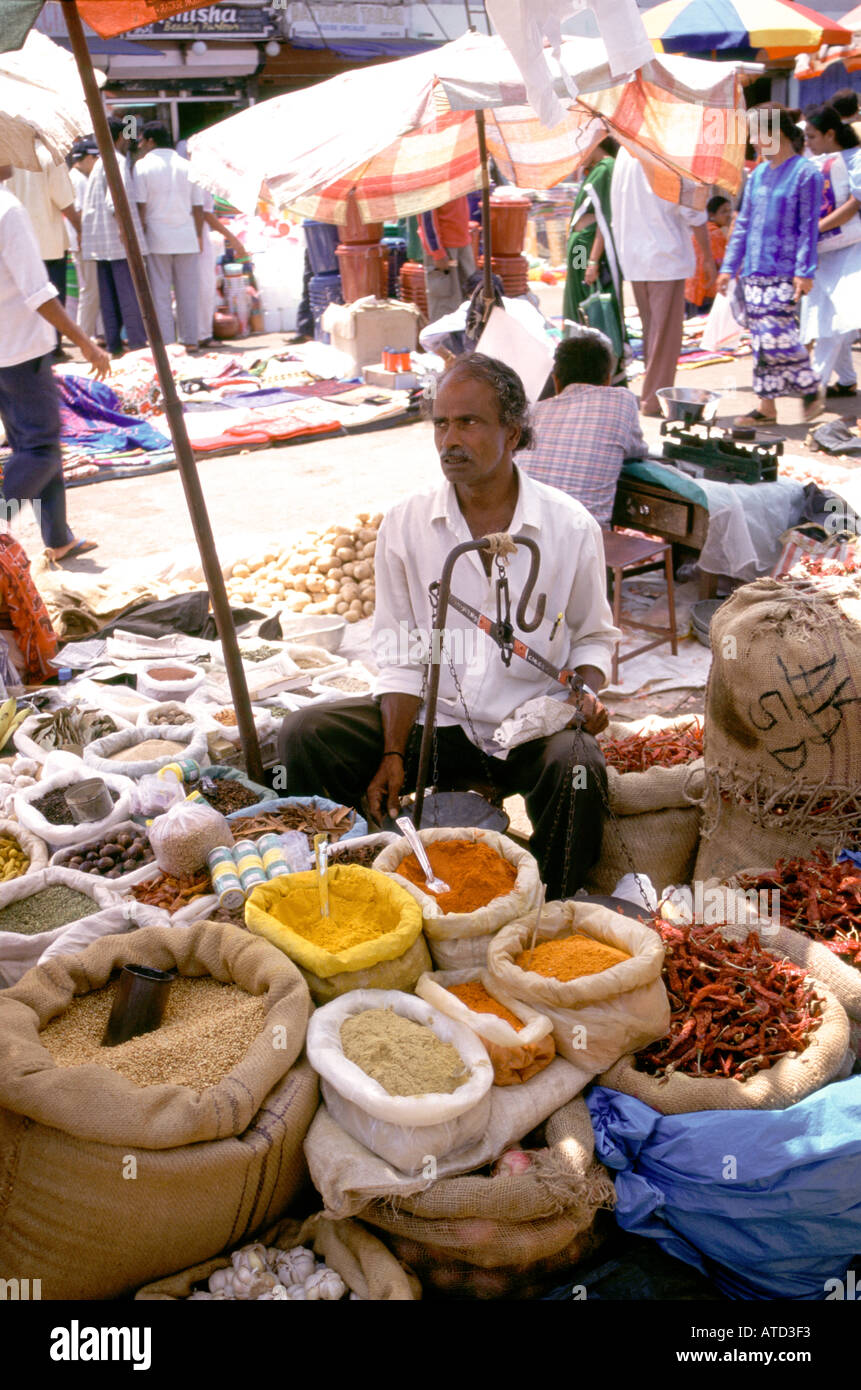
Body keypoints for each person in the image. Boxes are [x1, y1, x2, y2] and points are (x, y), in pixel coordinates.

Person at [277, 354, 620, 901]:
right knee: (307, 734)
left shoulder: (569, 525)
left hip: (526, 728)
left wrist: (585, 690)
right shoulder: (408, 523)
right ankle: (360, 876)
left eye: (469, 422)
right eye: (441, 422)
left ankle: (547, 903)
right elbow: (402, 651)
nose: (449, 440)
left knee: (578, 768)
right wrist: (392, 751)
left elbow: (594, 635)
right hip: (438, 725)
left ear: (513, 432)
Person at [0, 167, 110, 563]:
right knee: (41, 450)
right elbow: (38, 292)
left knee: (34, 443)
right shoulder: (7, 209)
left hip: (6, 349)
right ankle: (1, 516)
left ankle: (59, 536)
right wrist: (86, 343)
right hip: (20, 348)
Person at [716, 106, 824, 426]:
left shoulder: (807, 173)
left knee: (777, 335)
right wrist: (728, 266)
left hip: (785, 270)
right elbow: (744, 223)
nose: (752, 142)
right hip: (753, 269)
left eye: (755, 134)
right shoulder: (759, 173)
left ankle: (808, 387)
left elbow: (808, 226)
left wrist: (804, 271)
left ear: (775, 133)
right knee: (761, 341)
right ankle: (766, 409)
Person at [610, 146, 715, 416]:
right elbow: (693, 209)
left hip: (635, 255)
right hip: (664, 254)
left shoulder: (626, 151)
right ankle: (653, 400)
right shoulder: (668, 151)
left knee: (652, 332)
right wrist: (707, 256)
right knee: (664, 336)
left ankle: (650, 395)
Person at [523, 332, 647, 528]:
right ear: (607, 379)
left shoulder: (533, 412)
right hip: (583, 543)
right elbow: (638, 450)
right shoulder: (622, 401)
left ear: (556, 381)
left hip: (522, 537)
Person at [801, 104, 861, 399]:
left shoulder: (857, 159)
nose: (807, 143)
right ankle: (847, 379)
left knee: (836, 316)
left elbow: (854, 204)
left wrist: (817, 229)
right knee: (832, 314)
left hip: (852, 249)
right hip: (826, 247)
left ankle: (816, 385)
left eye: (811, 137)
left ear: (829, 133)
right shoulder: (818, 161)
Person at [81, 117, 150, 359]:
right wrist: (125, 233)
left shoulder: (99, 163)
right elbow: (116, 203)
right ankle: (139, 346)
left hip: (100, 242)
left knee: (109, 299)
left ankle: (114, 346)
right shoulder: (116, 162)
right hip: (118, 243)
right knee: (129, 296)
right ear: (121, 136)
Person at [133, 121, 204, 348]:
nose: (141, 144)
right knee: (188, 295)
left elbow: (141, 207)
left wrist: (140, 236)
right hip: (187, 236)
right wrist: (199, 236)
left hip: (157, 237)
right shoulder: (189, 166)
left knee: (160, 296)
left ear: (151, 141)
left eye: (143, 139)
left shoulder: (142, 167)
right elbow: (198, 207)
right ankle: (190, 341)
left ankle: (167, 344)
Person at [563, 136, 627, 381]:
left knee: (589, 304)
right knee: (578, 302)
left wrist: (593, 260)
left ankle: (600, 369)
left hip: (588, 248)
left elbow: (605, 220)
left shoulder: (606, 168)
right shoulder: (594, 171)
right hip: (579, 247)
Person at [8, 140, 81, 356]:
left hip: (16, 242)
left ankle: (31, 349)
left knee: (21, 300)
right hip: (49, 242)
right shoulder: (49, 156)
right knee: (53, 296)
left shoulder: (7, 155)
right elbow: (64, 199)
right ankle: (54, 347)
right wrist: (80, 227)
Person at [419, 270, 554, 359]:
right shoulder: (524, 305)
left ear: (472, 295)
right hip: (545, 367)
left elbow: (426, 336)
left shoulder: (472, 308)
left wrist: (448, 359)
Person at [195, 186, 247, 348]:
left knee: (200, 289)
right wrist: (233, 239)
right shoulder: (199, 180)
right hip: (197, 240)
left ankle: (197, 334)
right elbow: (206, 214)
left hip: (188, 237)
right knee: (204, 288)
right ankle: (202, 335)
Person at [418, 195, 477, 324]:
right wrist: (437, 253)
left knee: (468, 302)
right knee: (445, 306)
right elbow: (427, 219)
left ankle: (464, 342)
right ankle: (445, 343)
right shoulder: (432, 179)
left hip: (462, 244)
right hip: (444, 249)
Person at [66, 137, 102, 342]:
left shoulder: (78, 177)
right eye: (95, 157)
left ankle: (87, 333)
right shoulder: (77, 179)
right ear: (88, 157)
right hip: (82, 241)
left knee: (88, 290)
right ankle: (84, 335)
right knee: (89, 291)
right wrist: (82, 237)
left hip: (82, 240)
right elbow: (77, 212)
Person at [685, 195, 732, 317]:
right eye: (723, 211)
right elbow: (721, 263)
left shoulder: (704, 231)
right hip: (705, 291)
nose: (729, 215)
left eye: (729, 210)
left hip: (691, 290)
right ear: (712, 215)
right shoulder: (715, 234)